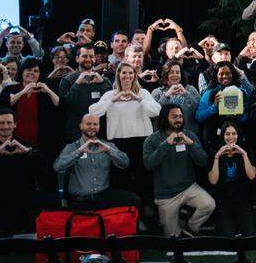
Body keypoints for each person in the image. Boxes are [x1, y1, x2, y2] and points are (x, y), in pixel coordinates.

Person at [0, 109, 59, 237]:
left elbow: (46, 168)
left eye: (9, 123)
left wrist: (28, 152)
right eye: (2, 123)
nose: (5, 126)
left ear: (15, 124)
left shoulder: (24, 146)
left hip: (23, 203)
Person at [89, 61, 162, 206]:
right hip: (118, 141)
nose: (127, 76)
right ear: (118, 75)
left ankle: (145, 209)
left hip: (142, 140)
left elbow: (157, 111)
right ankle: (123, 212)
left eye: (130, 73)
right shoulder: (110, 94)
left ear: (135, 75)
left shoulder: (143, 93)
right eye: (124, 73)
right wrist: (112, 100)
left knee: (143, 176)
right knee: (121, 178)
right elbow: (93, 112)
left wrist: (138, 99)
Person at [143, 104, 215, 237]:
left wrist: (191, 144)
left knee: (209, 204)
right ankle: (181, 216)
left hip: (189, 187)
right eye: (174, 117)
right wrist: (165, 144)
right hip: (166, 195)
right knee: (172, 238)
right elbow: (148, 165)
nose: (179, 120)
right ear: (165, 118)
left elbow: (203, 161)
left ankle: (190, 227)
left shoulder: (189, 135)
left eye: (181, 116)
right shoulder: (152, 139)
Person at [53, 114, 138, 210]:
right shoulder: (71, 148)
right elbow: (58, 167)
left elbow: (125, 163)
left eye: (95, 124)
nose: (92, 127)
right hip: (80, 201)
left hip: (104, 197)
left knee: (134, 200)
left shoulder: (107, 146)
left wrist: (109, 150)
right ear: (81, 126)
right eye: (88, 124)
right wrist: (79, 152)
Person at [206, 121, 256, 236]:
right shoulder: (215, 152)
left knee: (248, 233)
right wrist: (217, 157)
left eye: (234, 134)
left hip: (242, 200)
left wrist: (243, 154)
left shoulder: (247, 151)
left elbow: (252, 175)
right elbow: (213, 181)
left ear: (238, 135)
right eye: (227, 134)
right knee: (228, 236)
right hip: (223, 201)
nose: (231, 137)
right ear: (222, 136)